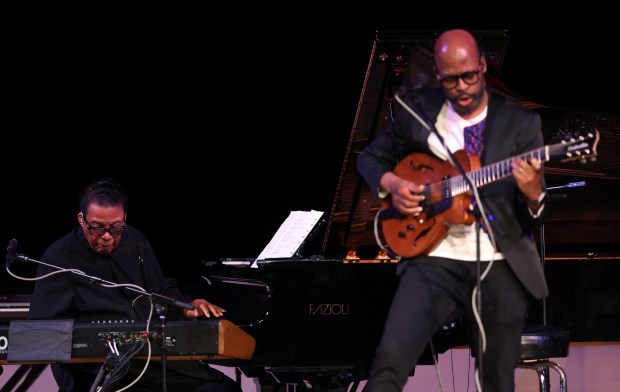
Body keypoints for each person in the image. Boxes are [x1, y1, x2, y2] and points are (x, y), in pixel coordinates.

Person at [357, 29, 549, 392]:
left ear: (482, 66)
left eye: (469, 75)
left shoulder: (521, 124)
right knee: (389, 361)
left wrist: (533, 193)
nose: (461, 86)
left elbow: (534, 215)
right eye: (450, 79)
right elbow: (370, 158)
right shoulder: (419, 111)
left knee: (495, 378)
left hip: (498, 260)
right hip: (433, 256)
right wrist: (394, 185)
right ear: (438, 75)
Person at [28, 177, 242, 392]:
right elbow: (44, 329)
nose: (107, 237)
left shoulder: (135, 241)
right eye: (97, 228)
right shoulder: (58, 257)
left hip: (150, 356)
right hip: (101, 367)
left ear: (125, 219)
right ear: (82, 219)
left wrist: (188, 306)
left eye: (116, 227)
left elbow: (161, 290)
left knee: (220, 389)